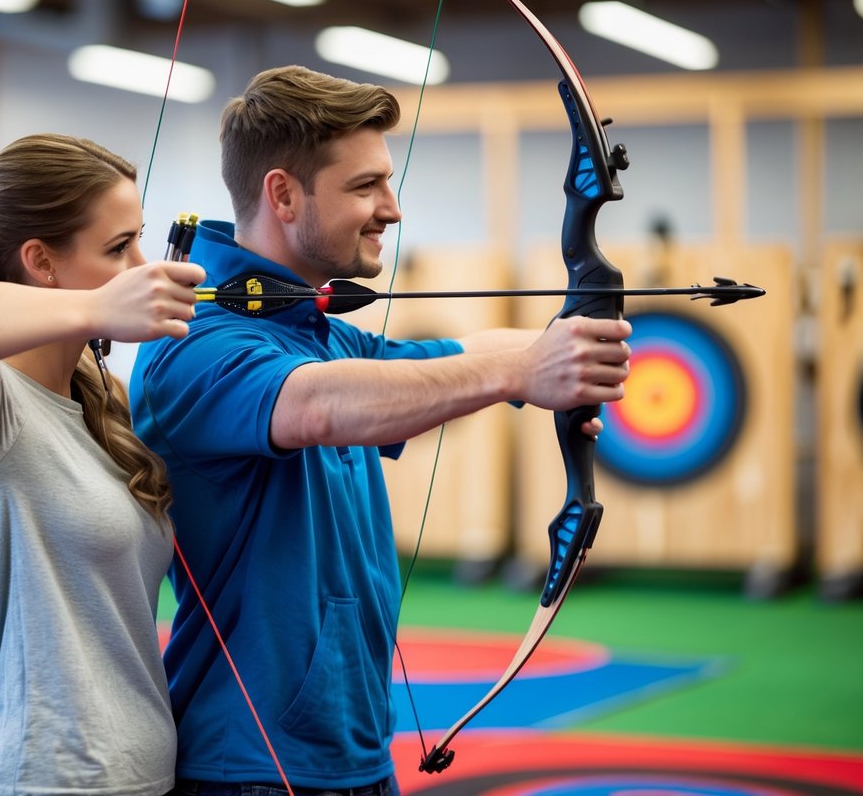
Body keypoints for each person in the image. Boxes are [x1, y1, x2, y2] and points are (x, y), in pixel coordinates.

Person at [129, 66, 632, 795]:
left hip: (351, 754)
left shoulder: (318, 336)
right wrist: (523, 373)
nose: (390, 210)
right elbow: (316, 407)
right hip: (249, 767)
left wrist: (573, 340)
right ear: (282, 193)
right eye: (365, 186)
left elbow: (455, 357)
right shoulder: (194, 344)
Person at [0, 133, 205, 796]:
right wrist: (96, 308)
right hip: (45, 781)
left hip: (139, 779)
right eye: (119, 248)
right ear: (40, 261)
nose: (144, 267)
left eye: (140, 240)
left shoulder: (96, 407)